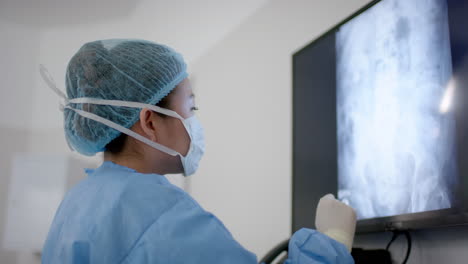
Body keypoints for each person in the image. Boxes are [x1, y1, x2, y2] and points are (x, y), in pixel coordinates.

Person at [40, 39, 354, 264]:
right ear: (150, 121)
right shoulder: (157, 217)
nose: (195, 122)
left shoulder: (78, 204)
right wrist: (333, 241)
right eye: (191, 106)